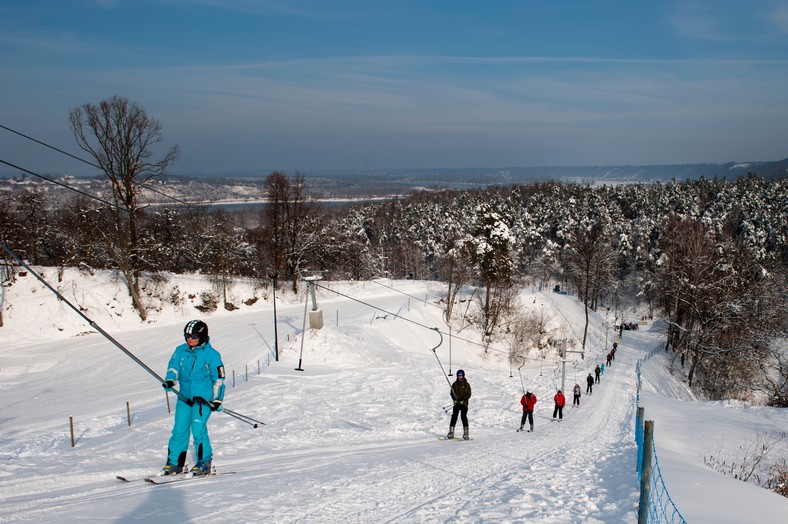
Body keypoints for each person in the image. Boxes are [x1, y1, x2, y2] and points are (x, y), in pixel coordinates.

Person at [161, 320, 226, 476]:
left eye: (194, 336)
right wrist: (170, 379)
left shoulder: (211, 355)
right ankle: (175, 463)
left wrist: (217, 400)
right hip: (184, 397)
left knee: (198, 430)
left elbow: (218, 379)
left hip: (203, 400)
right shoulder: (180, 350)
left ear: (202, 336)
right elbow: (174, 366)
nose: (190, 339)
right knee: (179, 430)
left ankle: (204, 462)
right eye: (187, 336)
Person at [446, 369, 472, 440]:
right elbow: (452, 392)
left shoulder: (466, 384)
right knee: (454, 416)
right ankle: (451, 432)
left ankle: (466, 433)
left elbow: (469, 394)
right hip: (457, 404)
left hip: (464, 404)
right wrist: (454, 399)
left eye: (461, 376)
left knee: (463, 417)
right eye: (458, 376)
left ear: (463, 376)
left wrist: (463, 399)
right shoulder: (454, 384)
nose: (460, 377)